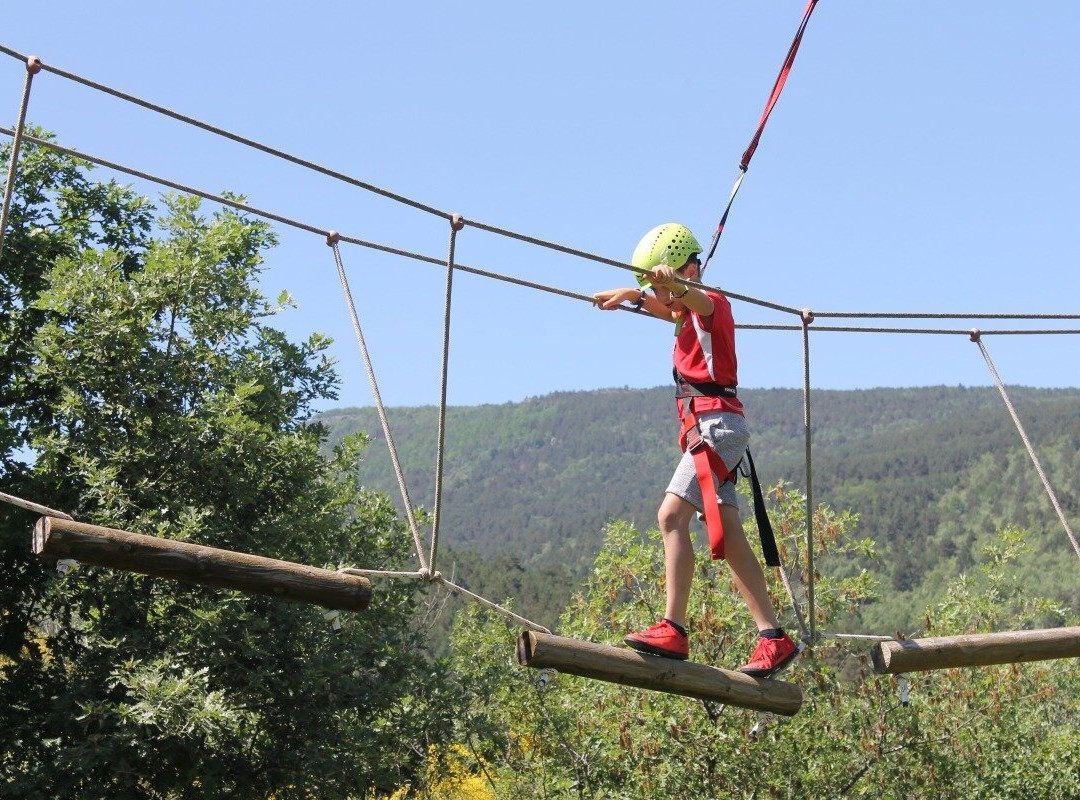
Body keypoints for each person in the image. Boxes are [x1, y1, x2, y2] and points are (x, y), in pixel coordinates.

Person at [592, 222, 798, 677]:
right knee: (729, 534)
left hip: (717, 428)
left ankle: (674, 627)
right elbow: (673, 310)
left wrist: (676, 284)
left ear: (684, 271)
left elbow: (696, 300)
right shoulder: (684, 316)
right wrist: (632, 294)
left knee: (670, 516)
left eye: (661, 287)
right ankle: (773, 637)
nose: (660, 296)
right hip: (711, 429)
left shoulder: (712, 306)